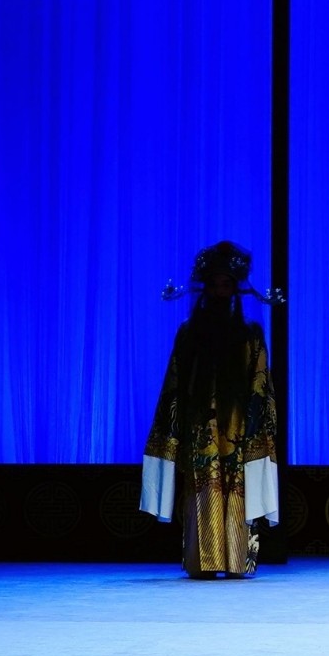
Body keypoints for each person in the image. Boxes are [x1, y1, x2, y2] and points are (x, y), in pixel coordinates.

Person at [140, 240, 281, 578]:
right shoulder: (189, 334)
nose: (220, 291)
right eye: (214, 284)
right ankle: (203, 560)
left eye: (226, 284)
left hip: (239, 426)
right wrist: (174, 428)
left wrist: (257, 426)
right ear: (205, 288)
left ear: (235, 289)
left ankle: (236, 559)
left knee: (237, 487)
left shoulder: (251, 335)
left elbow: (260, 384)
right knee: (203, 486)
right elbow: (175, 384)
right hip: (199, 426)